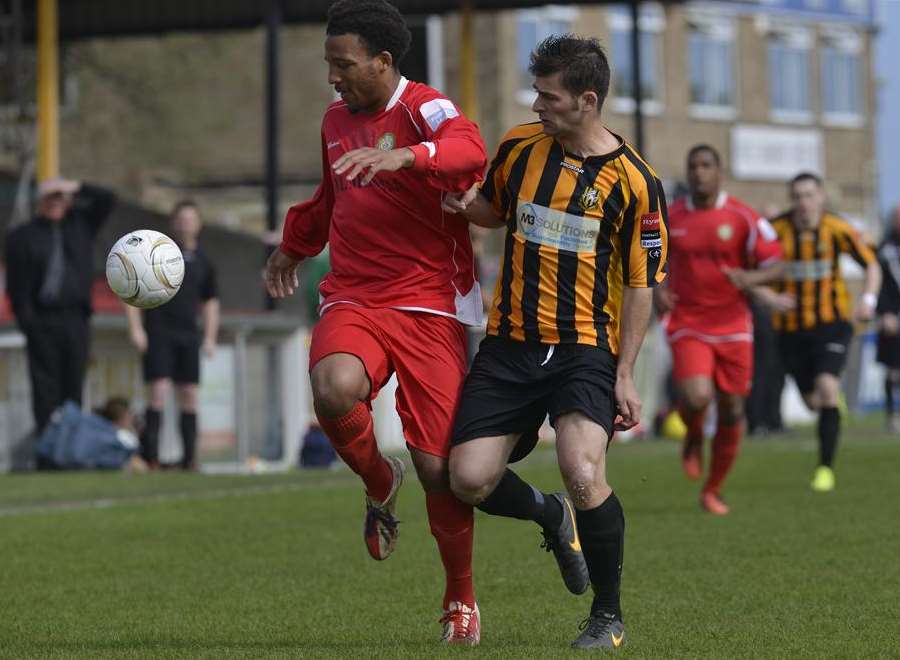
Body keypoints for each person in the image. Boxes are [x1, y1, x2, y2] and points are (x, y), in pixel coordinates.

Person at [263, 0, 487, 644]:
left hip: (428, 303)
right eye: (329, 64)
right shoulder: (336, 118)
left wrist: (407, 157)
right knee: (332, 387)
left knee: (441, 469)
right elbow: (330, 197)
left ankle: (460, 598)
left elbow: (467, 150)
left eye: (344, 64)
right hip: (355, 295)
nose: (333, 77)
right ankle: (379, 479)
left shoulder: (425, 107)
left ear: (383, 62)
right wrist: (293, 246)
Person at [443, 35, 667, 650]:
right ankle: (549, 515)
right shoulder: (519, 146)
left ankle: (608, 615)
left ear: (586, 101)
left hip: (585, 350)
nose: (536, 104)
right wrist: (460, 204)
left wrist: (626, 374)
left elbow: (643, 287)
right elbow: (494, 209)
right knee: (467, 480)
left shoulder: (637, 184)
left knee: (581, 465)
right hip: (511, 345)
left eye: (548, 95)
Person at [655, 145, 783, 515]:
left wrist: (750, 276)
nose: (699, 172)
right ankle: (694, 433)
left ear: (719, 171)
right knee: (697, 398)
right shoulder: (671, 216)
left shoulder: (744, 217)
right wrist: (657, 287)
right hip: (688, 321)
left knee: (731, 409)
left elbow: (776, 264)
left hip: (733, 324)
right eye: (693, 166)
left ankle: (713, 489)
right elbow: (649, 259)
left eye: (706, 165)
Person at [764, 172, 880, 492]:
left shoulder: (837, 229)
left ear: (821, 197)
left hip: (832, 325)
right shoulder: (774, 231)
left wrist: (867, 300)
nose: (804, 202)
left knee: (827, 388)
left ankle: (825, 469)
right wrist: (769, 296)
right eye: (797, 196)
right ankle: (829, 403)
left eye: (809, 195)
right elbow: (748, 273)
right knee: (813, 401)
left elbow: (872, 264)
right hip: (789, 332)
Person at [4, 178, 116, 433]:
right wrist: (27, 322)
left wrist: (75, 187)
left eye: (59, 197)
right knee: (45, 386)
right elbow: (16, 285)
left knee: (73, 383)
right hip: (41, 320)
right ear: (40, 201)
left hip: (76, 318)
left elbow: (108, 199)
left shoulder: (81, 225)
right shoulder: (22, 236)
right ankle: (48, 448)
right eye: (49, 197)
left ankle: (71, 445)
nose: (55, 202)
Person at [126, 200, 219, 470]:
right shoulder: (158, 253)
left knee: (189, 393)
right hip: (158, 332)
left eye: (191, 219)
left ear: (199, 224)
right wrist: (136, 328)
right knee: (158, 390)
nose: (186, 224)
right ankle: (150, 457)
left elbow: (210, 302)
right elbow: (132, 290)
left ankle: (189, 459)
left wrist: (210, 336)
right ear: (173, 223)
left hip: (188, 335)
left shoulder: (204, 261)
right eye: (181, 219)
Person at [875, 204, 900, 431]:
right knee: (893, 368)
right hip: (892, 316)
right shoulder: (884, 250)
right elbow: (878, 284)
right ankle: (892, 414)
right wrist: (884, 313)